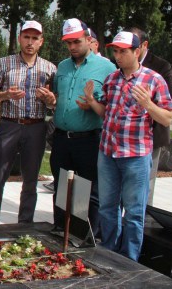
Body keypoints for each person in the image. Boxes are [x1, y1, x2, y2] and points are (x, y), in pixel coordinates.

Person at [81, 31, 172, 261]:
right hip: (108, 152)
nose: (118, 56)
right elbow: (106, 113)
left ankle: (130, 260)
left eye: (123, 51)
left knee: (133, 212)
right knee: (107, 207)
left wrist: (148, 104)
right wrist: (92, 101)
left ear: (137, 51)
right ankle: (109, 252)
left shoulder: (153, 80)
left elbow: (167, 118)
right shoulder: (112, 80)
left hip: (136, 155)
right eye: (115, 51)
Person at [35, 18, 115, 234]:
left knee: (89, 189)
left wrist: (92, 104)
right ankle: (61, 230)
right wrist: (51, 100)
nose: (72, 47)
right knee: (62, 187)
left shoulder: (106, 67)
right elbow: (58, 98)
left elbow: (112, 105)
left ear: (89, 40)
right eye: (68, 43)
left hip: (89, 138)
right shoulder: (62, 66)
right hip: (62, 137)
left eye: (76, 41)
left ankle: (87, 235)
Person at [0, 20, 56, 224]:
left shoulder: (49, 68)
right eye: (26, 37)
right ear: (19, 38)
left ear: (41, 41)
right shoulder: (4, 63)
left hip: (36, 126)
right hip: (9, 124)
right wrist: (5, 95)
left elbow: (54, 102)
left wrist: (50, 100)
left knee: (31, 179)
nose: (30, 42)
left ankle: (25, 223)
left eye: (35, 38)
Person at [128, 27, 172, 206]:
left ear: (144, 45)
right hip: (121, 137)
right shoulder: (119, 63)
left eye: (132, 45)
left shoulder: (161, 66)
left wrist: (146, 102)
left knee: (144, 190)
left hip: (149, 137)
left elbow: (168, 105)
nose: (123, 51)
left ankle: (144, 219)